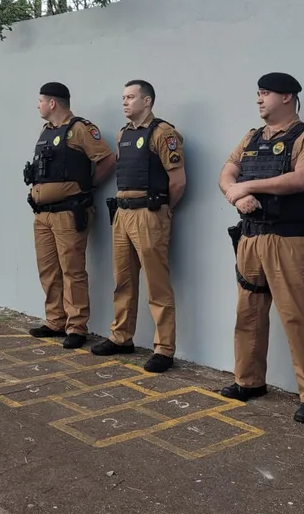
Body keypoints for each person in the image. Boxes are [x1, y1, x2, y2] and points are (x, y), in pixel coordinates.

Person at [216, 72, 304, 425]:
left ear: (288, 97)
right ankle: (248, 381)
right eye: (258, 93)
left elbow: (302, 179)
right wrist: (238, 196)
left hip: (289, 239)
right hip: (251, 237)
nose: (259, 99)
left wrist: (248, 185)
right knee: (247, 313)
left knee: (299, 317)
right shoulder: (252, 138)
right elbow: (226, 174)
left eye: (265, 93)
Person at [92, 80, 186, 373]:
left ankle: (164, 348)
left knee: (157, 284)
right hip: (122, 213)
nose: (125, 102)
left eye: (131, 97)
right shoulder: (123, 134)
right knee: (123, 280)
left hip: (149, 213)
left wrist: (163, 211)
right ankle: (121, 337)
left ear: (147, 101)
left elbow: (178, 181)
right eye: (123, 97)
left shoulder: (163, 133)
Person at [24, 82, 115, 349]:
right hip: (42, 214)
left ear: (53, 103)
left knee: (72, 270)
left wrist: (87, 187)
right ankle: (55, 320)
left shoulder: (80, 129)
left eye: (40, 101)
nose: (38, 105)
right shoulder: (46, 131)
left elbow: (107, 159)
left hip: (68, 212)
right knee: (48, 269)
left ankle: (76, 326)